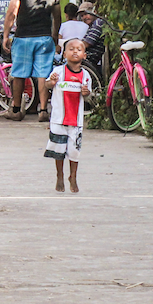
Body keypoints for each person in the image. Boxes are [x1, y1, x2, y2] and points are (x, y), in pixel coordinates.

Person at [2, 0, 61, 122]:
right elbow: (57, 15)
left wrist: (6, 35)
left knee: (19, 73)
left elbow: (12, 12)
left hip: (23, 38)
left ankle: (16, 109)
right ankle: (43, 110)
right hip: (44, 37)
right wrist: (55, 35)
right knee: (43, 74)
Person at [44, 38, 93, 193]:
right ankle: (60, 175)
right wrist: (51, 83)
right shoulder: (57, 72)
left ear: (84, 55)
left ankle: (73, 176)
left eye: (79, 49)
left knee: (74, 151)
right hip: (59, 119)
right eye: (71, 49)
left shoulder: (86, 76)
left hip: (76, 121)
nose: (75, 52)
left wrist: (86, 93)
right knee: (58, 150)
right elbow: (46, 84)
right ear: (64, 54)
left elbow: (87, 94)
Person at [78, 1, 105, 74]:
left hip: (89, 58)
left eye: (86, 14)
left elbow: (87, 43)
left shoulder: (98, 23)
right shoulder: (92, 26)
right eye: (82, 16)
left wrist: (73, 46)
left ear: (94, 12)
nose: (84, 17)